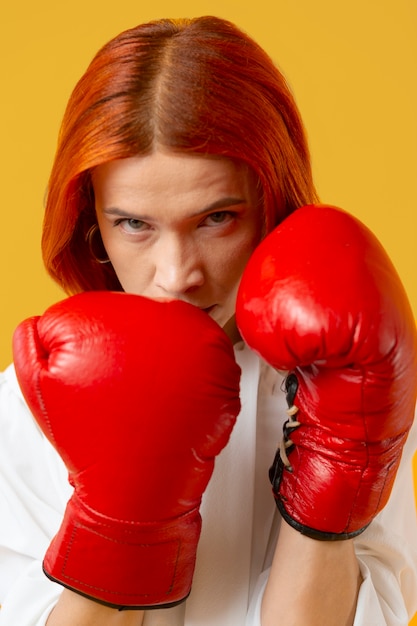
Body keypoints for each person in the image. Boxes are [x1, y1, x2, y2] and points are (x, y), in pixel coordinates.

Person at [0, 14, 416, 626]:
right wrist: (119, 524)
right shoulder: (30, 401)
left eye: (216, 218)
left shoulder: (355, 364)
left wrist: (337, 468)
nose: (176, 275)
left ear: (271, 200)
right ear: (93, 224)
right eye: (134, 224)